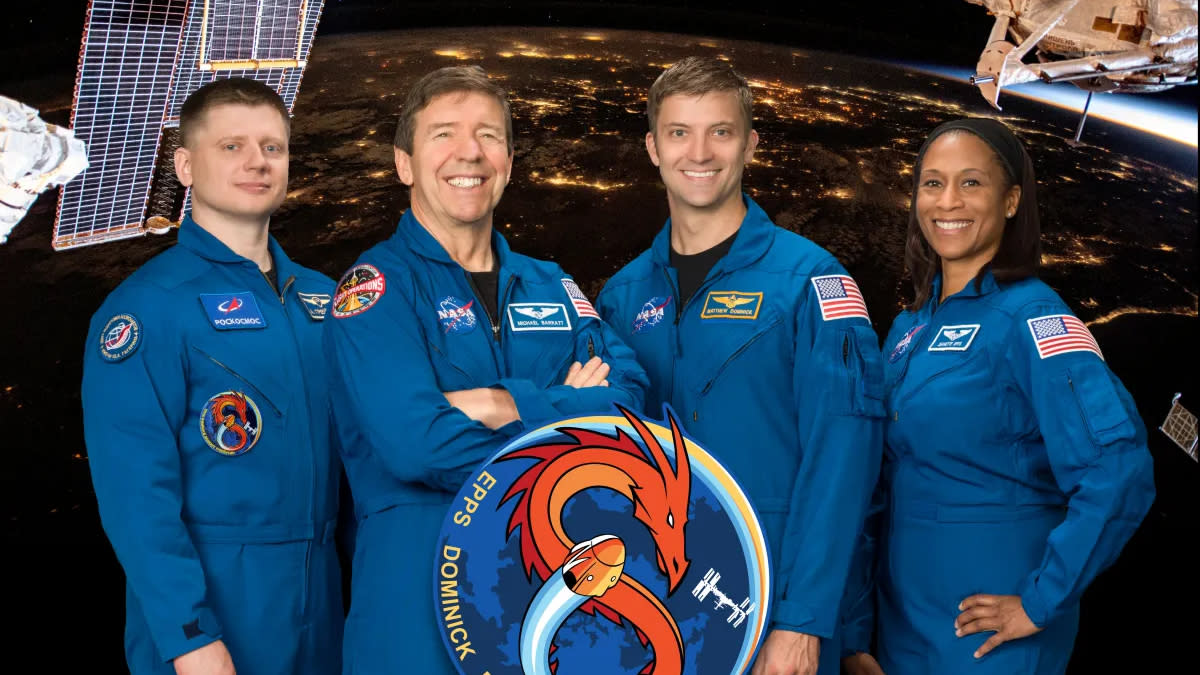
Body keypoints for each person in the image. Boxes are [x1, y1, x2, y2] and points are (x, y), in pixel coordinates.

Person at [323, 65, 649, 675]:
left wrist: (505, 403)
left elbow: (631, 402)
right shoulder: (375, 292)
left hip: (549, 606)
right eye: (443, 134)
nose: (469, 152)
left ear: (508, 160)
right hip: (414, 616)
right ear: (404, 163)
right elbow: (417, 446)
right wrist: (571, 420)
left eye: (489, 136)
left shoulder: (552, 284)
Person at [595, 56, 885, 675]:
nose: (699, 152)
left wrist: (803, 622)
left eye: (720, 131)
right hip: (654, 600)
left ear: (750, 145)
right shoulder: (622, 297)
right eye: (679, 132)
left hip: (770, 607)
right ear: (652, 147)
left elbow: (844, 464)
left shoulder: (811, 282)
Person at [841, 118, 1156, 675]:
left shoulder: (1035, 320)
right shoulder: (911, 328)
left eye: (972, 183)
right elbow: (878, 483)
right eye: (932, 183)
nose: (947, 201)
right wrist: (857, 628)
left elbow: (1118, 468)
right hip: (900, 627)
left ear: (1011, 201)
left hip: (985, 638)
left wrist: (1040, 603)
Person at [81, 78, 343, 675]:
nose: (257, 162)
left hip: (322, 595)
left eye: (272, 148)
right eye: (231, 147)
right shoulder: (147, 310)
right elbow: (135, 498)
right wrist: (188, 636)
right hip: (216, 602)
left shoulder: (325, 301)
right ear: (185, 164)